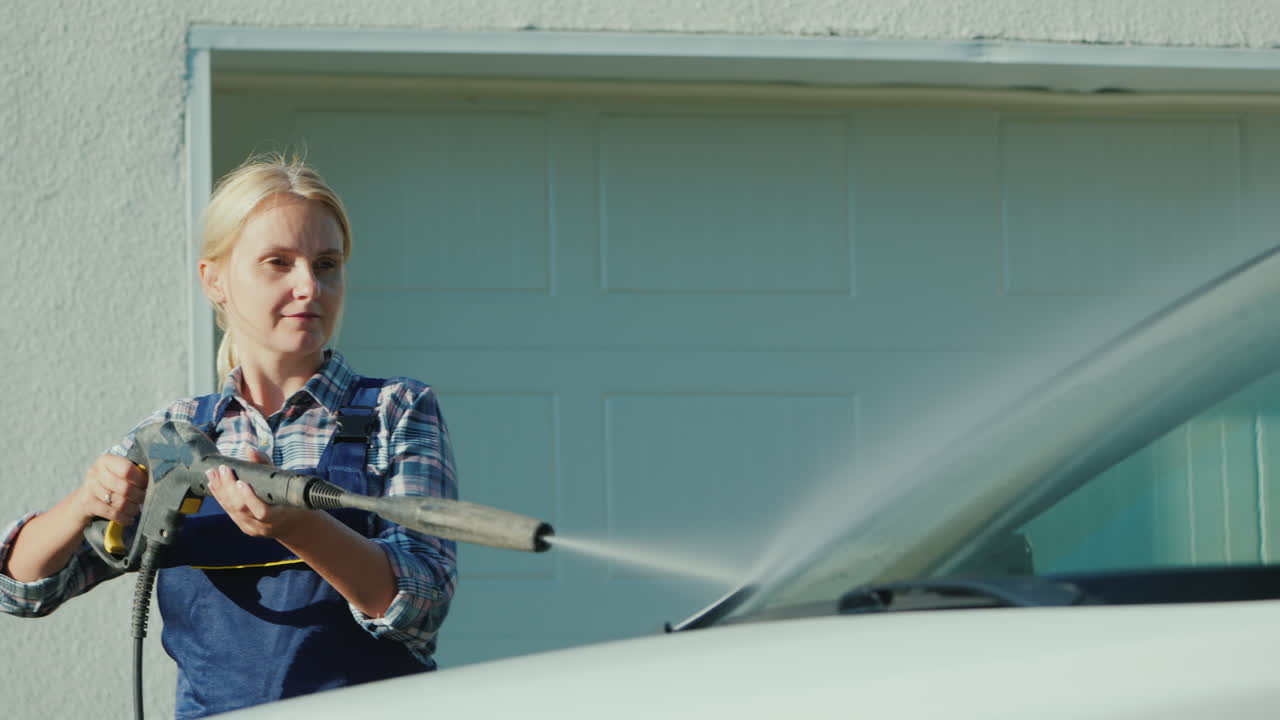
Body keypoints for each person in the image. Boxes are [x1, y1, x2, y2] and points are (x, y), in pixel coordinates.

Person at [0, 155, 458, 718]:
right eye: (278, 263)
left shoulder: (397, 410)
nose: (308, 285)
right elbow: (23, 591)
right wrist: (84, 504)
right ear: (214, 280)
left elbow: (420, 605)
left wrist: (300, 527)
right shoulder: (176, 435)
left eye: (326, 264)